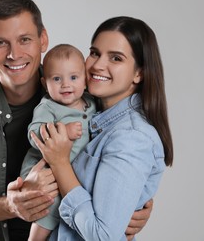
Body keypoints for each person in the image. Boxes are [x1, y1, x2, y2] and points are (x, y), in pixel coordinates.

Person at [0, 0, 152, 241]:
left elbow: (117, 161)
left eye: (24, 40)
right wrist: (11, 205)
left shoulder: (82, 95)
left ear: (43, 39)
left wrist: (135, 203)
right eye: (1, 43)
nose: (14, 54)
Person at [31, 16, 174, 240]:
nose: (97, 65)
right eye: (95, 53)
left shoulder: (131, 138)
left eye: (116, 58)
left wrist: (60, 163)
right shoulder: (90, 113)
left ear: (139, 73)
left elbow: (103, 236)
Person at [20, 44, 96, 240]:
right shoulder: (48, 107)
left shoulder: (92, 103)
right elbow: (33, 133)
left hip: (69, 171)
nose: (66, 85)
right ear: (45, 83)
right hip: (44, 170)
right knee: (51, 203)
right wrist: (63, 130)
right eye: (57, 79)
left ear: (85, 79)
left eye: (73, 77)